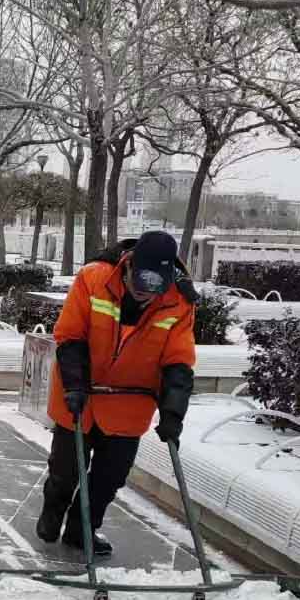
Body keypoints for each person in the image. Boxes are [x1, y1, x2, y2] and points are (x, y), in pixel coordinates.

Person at [35, 230, 197, 558]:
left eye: (156, 286)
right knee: (65, 471)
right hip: (79, 393)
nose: (145, 293)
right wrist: (76, 386)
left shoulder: (180, 302)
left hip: (129, 403)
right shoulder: (94, 279)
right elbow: (70, 337)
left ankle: (82, 531)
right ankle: (54, 508)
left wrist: (173, 413)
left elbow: (179, 362)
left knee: (109, 479)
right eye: (141, 281)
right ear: (129, 266)